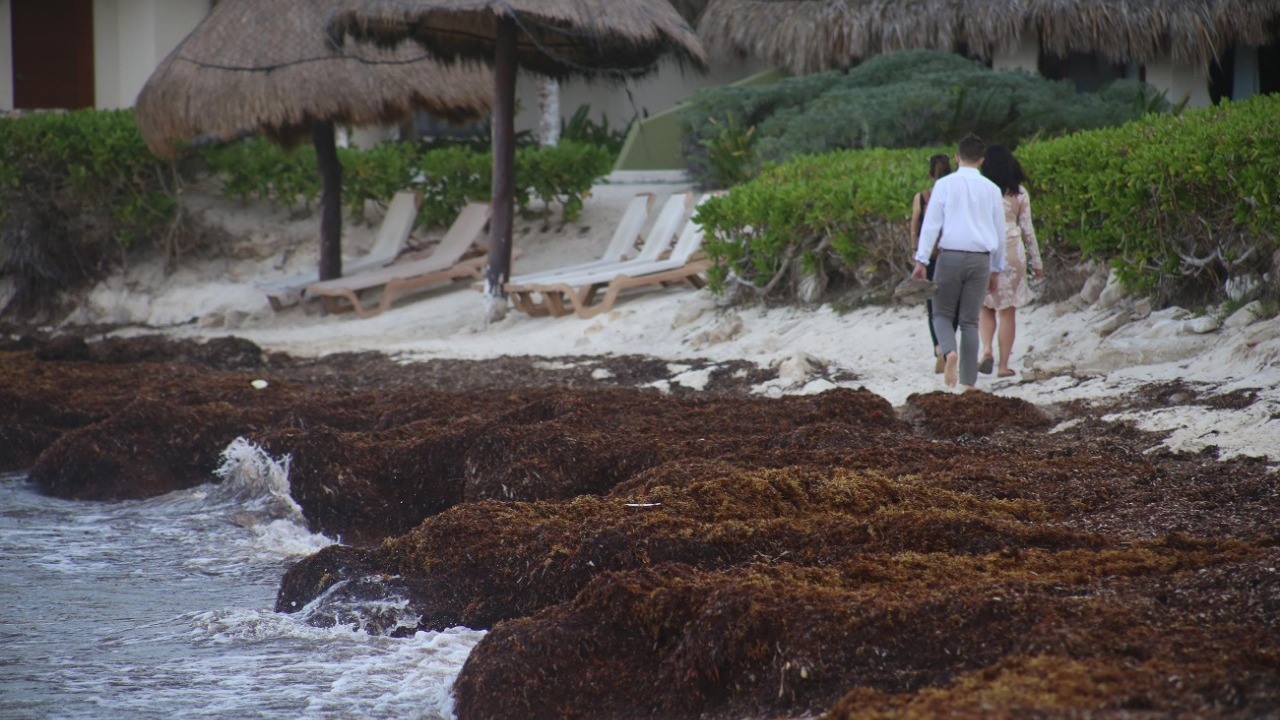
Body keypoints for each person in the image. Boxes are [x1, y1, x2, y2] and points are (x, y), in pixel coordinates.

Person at [911, 134, 1006, 390]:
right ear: (982, 160)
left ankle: (948, 351)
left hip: (949, 256)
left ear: (957, 157)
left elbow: (931, 225)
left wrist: (921, 260)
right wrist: (997, 268)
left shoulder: (944, 186)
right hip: (980, 260)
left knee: (941, 314)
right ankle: (968, 384)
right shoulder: (992, 189)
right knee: (970, 322)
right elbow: (1000, 232)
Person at [977, 145, 1044, 379]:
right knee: (1007, 310)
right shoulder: (1019, 193)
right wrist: (1037, 262)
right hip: (1013, 252)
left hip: (985, 251)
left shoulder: (981, 191)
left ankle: (986, 349)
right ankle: (1004, 366)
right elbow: (1028, 230)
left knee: (984, 305)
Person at [909, 153, 955, 373]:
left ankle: (939, 349)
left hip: (930, 258)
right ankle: (949, 348)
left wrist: (916, 253)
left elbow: (914, 227)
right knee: (953, 304)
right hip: (954, 254)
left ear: (929, 174)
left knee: (933, 306)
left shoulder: (922, 197)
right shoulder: (955, 195)